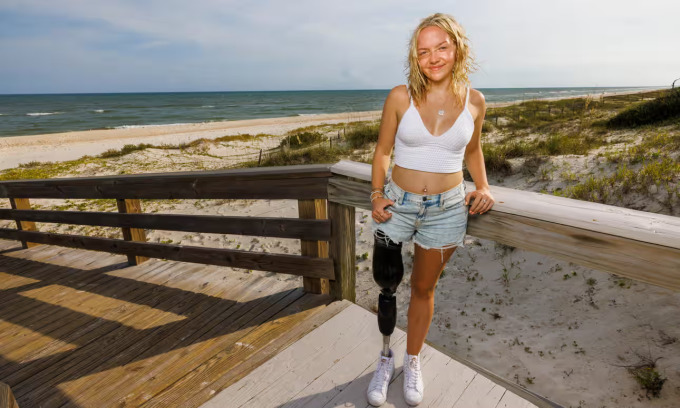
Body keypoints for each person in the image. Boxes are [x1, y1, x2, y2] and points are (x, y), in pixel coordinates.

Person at [366, 13, 494, 407]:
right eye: (424, 51)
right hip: (398, 206)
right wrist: (375, 194)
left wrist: (484, 186)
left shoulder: (476, 100)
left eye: (441, 47)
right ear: (414, 57)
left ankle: (413, 358)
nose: (433, 57)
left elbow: (472, 150)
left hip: (447, 210)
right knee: (386, 285)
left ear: (457, 48)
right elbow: (383, 150)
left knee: (424, 289)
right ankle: (385, 358)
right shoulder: (400, 96)